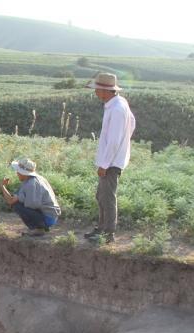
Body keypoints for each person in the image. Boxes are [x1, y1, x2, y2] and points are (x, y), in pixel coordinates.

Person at [84, 73, 136, 243]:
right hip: (112, 159)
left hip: (111, 162)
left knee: (107, 198)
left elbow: (113, 141)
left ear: (105, 90)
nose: (95, 92)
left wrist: (104, 164)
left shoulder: (117, 109)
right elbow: (132, 123)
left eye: (97, 89)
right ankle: (102, 228)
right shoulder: (119, 103)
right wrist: (124, 141)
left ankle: (108, 233)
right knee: (101, 196)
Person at [0, 158, 61, 237]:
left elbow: (11, 201)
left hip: (48, 218)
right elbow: (13, 199)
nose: (17, 173)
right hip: (51, 216)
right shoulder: (37, 179)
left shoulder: (30, 184)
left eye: (18, 171)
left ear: (24, 173)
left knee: (17, 206)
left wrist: (2, 186)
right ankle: (41, 227)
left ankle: (38, 229)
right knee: (18, 203)